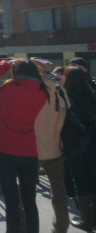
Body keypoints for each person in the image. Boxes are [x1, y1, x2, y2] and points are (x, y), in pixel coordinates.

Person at [0, 58, 49, 233]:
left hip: (5, 149)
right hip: (30, 150)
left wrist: (4, 64)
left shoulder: (7, 88)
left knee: (11, 200)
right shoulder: (44, 92)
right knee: (29, 199)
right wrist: (39, 65)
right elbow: (49, 77)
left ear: (15, 72)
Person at [31, 57, 69, 233]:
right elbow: (64, 119)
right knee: (59, 192)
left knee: (27, 193)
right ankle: (61, 227)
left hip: (33, 149)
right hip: (55, 147)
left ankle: (27, 228)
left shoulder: (31, 92)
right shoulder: (60, 92)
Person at [62, 66, 96, 231]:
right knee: (93, 179)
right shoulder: (92, 96)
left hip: (73, 144)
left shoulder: (65, 96)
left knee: (79, 181)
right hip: (92, 142)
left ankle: (86, 220)